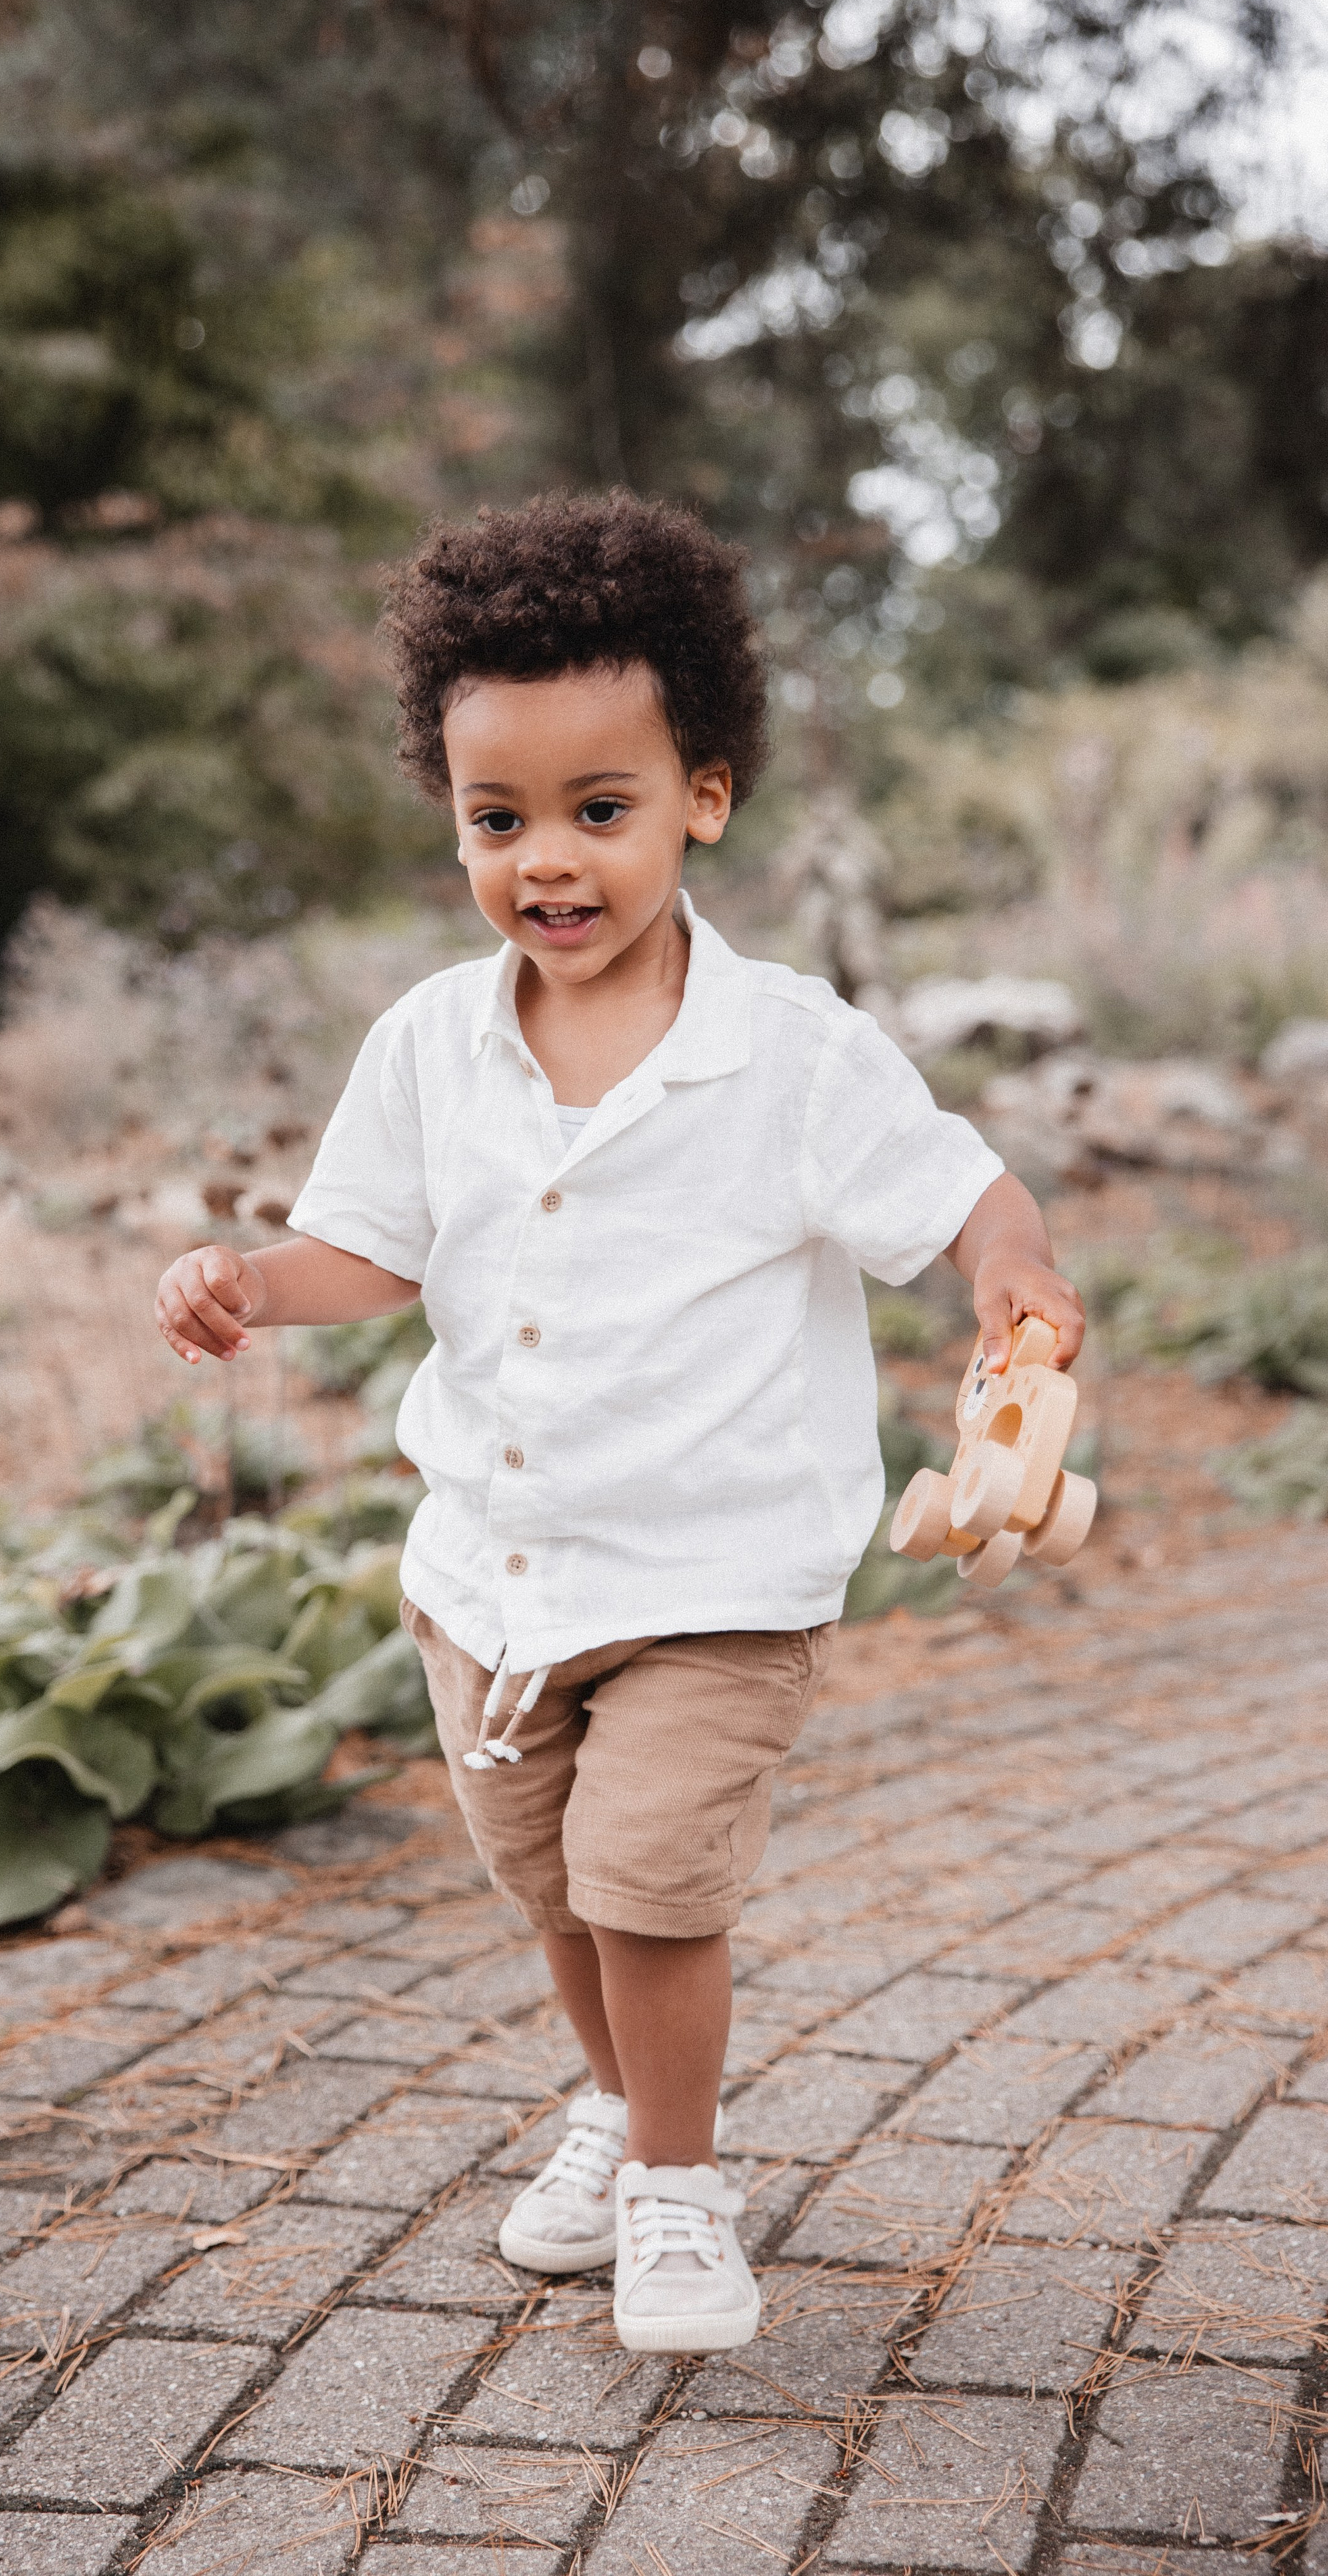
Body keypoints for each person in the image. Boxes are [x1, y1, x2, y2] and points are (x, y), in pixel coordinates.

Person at [154, 493, 1085, 2355]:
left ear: (703, 800)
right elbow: (371, 1250)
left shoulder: (797, 1053)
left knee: (652, 1888)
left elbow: (962, 1192)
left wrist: (1017, 1283)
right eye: (498, 820)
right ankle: (615, 2106)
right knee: (558, 1893)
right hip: (487, 1580)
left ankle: (677, 2188)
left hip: (714, 1577)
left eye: (602, 809)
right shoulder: (430, 1042)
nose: (547, 861)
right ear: (451, 811)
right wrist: (256, 1279)